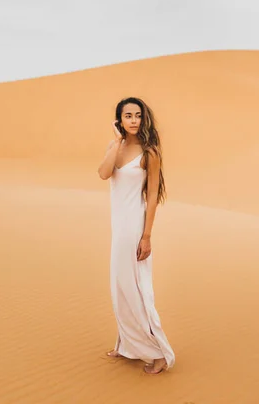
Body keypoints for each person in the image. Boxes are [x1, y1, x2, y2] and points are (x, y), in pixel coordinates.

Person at [97, 96, 175, 375]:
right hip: (118, 227)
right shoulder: (115, 147)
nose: (133, 120)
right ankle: (127, 344)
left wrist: (147, 236)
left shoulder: (150, 152)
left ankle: (157, 353)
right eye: (128, 115)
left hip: (134, 227)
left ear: (144, 119)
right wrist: (117, 141)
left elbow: (152, 195)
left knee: (134, 288)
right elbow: (104, 174)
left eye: (137, 115)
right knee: (119, 286)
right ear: (119, 119)